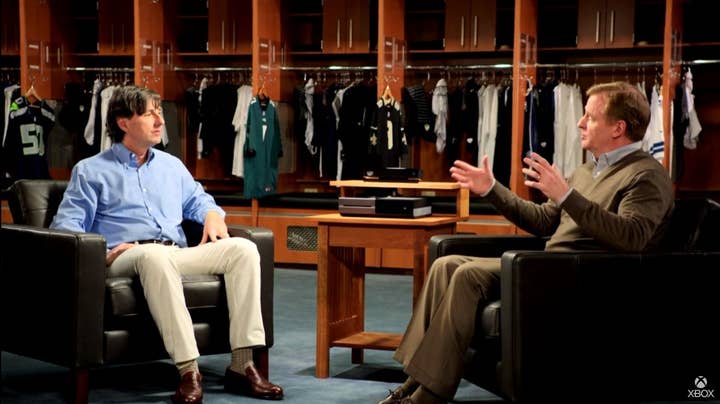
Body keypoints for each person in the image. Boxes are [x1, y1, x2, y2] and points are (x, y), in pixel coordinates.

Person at [378, 81, 674, 404]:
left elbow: (631, 237)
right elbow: (543, 220)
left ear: (618, 128)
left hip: (586, 278)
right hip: (545, 267)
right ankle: (413, 382)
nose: (579, 122)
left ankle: (428, 397)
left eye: (589, 116)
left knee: (466, 275)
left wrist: (566, 195)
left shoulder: (647, 176)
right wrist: (492, 188)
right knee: (446, 264)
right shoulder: (588, 170)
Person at [50, 86, 283, 404]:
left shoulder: (171, 166)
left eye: (159, 111)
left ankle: (242, 365)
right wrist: (105, 254)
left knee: (243, 249)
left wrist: (213, 214)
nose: (160, 119)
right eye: (149, 113)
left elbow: (199, 200)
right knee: (153, 256)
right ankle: (189, 370)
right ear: (123, 122)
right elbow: (65, 229)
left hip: (175, 252)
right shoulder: (90, 171)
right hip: (126, 256)